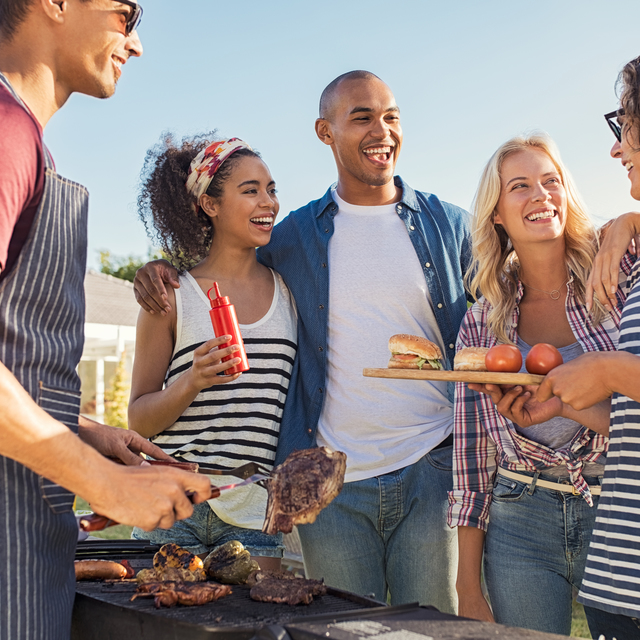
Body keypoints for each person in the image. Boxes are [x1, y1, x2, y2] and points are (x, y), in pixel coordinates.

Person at [133, 70, 471, 611]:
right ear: (325, 131)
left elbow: (512, 284)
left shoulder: (443, 228)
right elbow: (222, 261)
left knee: (424, 625)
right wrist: (159, 272)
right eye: (361, 116)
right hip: (265, 492)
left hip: (398, 475)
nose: (380, 130)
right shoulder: (286, 240)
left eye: (391, 116)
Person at [0, 2, 212, 639]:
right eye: (126, 13)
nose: (137, 43)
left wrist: (83, 431)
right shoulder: (6, 131)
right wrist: (104, 484)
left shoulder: (26, 139)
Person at [447, 133, 635, 636]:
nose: (540, 195)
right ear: (497, 215)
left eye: (552, 182)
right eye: (520, 186)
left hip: (617, 505)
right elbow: (470, 460)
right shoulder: (482, 325)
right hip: (518, 517)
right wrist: (467, 584)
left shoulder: (619, 278)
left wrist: (631, 221)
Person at [128, 134, 297, 568]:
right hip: (170, 506)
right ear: (210, 205)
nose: (269, 202)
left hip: (251, 510)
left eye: (271, 189)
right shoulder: (170, 296)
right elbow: (139, 418)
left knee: (253, 633)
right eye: (250, 190)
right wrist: (193, 379)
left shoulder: (291, 296)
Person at [536, 55, 640, 639]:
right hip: (616, 583)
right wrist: (567, 405)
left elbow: (623, 374)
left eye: (624, 125)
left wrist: (606, 368)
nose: (615, 147)